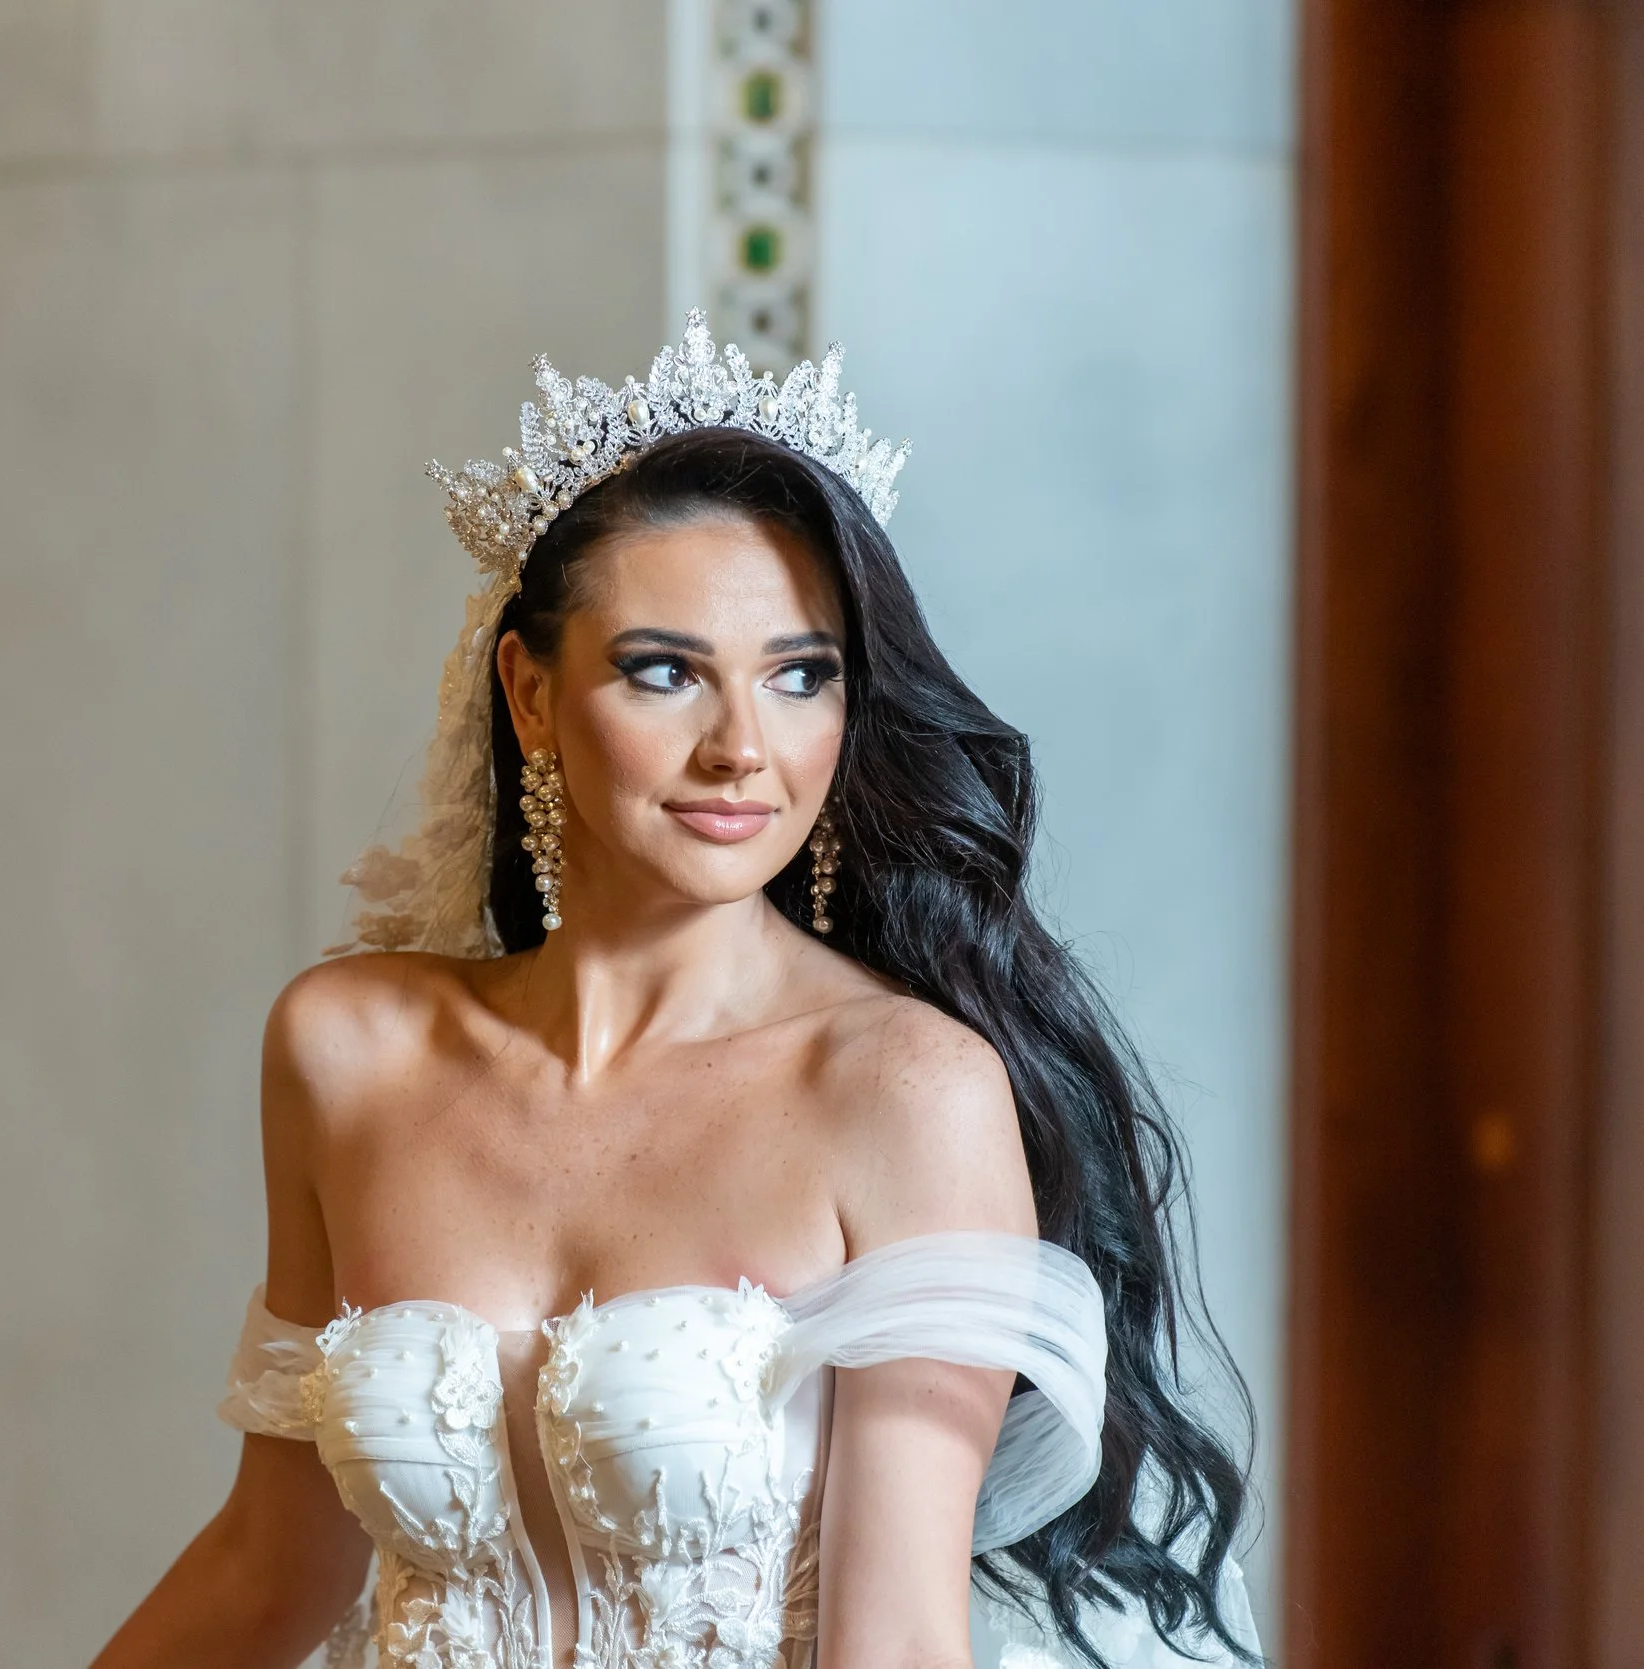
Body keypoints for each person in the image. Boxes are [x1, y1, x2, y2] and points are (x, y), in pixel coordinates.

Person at [93, 314, 1255, 1669]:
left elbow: (895, 1647)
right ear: (531, 695)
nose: (741, 751)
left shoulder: (902, 1092)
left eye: (799, 677)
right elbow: (266, 1571)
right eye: (664, 672)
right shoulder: (350, 1052)